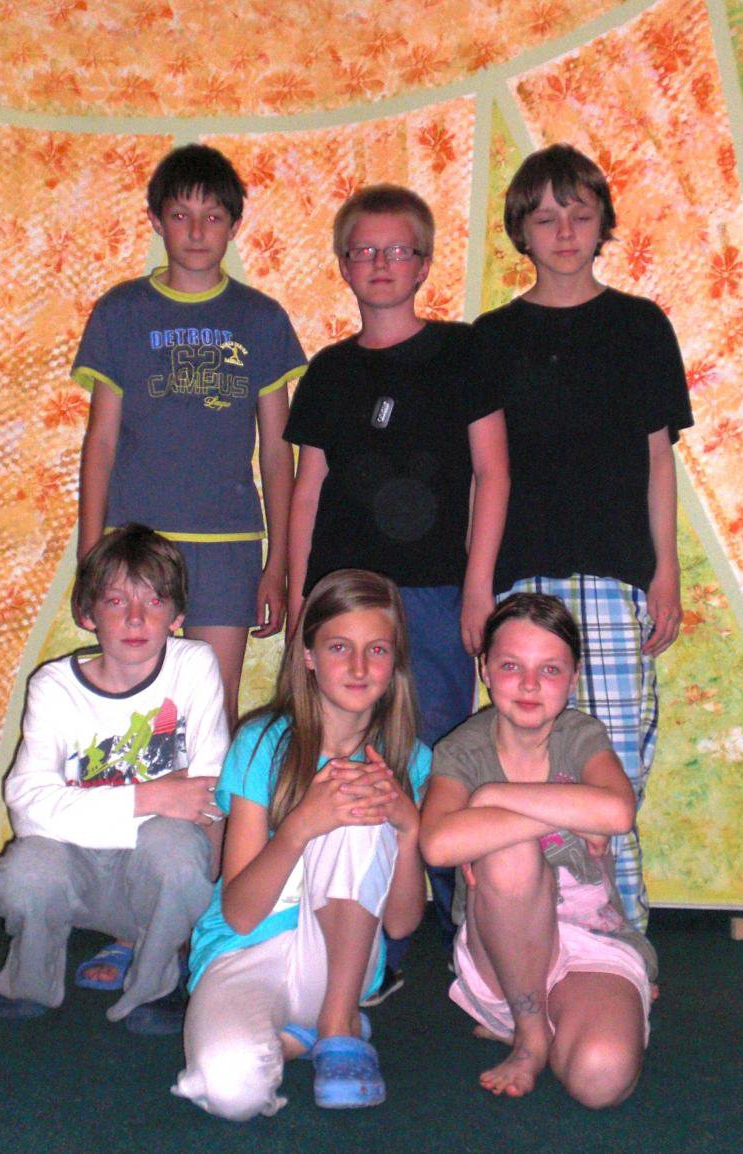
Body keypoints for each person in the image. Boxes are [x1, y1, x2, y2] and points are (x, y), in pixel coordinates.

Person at [285, 184, 509, 985]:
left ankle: (464, 926)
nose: (381, 263)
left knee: (437, 754)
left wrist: (478, 587)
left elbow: (492, 472)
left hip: (435, 595)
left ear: (423, 263)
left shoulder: (461, 353)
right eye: (365, 250)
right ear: (344, 264)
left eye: (398, 250)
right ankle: (363, 926)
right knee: (341, 753)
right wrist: (298, 593)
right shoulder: (328, 372)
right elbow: (306, 490)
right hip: (341, 598)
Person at [474, 144, 693, 931]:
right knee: (524, 759)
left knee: (613, 763)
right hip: (520, 579)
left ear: (602, 223)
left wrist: (664, 572)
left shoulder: (639, 326)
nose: (563, 231)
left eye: (578, 213)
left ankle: (621, 934)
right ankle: (535, 934)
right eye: (544, 217)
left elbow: (657, 459)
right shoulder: (491, 337)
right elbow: (483, 473)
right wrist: (477, 587)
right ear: (519, 231)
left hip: (613, 573)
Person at [173, 569, 429, 1119]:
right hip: (245, 950)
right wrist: (299, 826)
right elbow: (240, 914)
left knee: (359, 796)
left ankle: (338, 1024)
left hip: (339, 962)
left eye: (377, 649)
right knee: (231, 1092)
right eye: (339, 647)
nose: (358, 667)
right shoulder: (262, 743)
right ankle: (299, 1037)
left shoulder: (407, 759)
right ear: (308, 655)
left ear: (396, 662)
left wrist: (409, 832)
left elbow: (402, 923)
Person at [75, 143, 305, 729]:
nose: (197, 231)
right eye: (181, 215)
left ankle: (213, 800)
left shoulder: (261, 319)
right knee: (136, 706)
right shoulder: (121, 312)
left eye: (213, 216)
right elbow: (100, 444)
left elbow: (278, 454)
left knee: (213, 712)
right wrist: (88, 556)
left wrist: (278, 564)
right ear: (156, 221)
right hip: (134, 543)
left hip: (228, 545)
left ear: (234, 225)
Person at [0, 524, 228, 1034]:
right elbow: (27, 804)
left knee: (179, 853)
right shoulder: (55, 686)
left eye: (154, 601)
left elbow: (207, 793)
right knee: (24, 871)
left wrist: (75, 805)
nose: (135, 618)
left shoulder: (193, 664)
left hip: (149, 868)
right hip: (74, 868)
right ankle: (30, 981)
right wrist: (154, 796)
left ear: (178, 616)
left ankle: (154, 983)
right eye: (116, 601)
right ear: (87, 613)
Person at [420, 594, 657, 1104]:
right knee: (510, 853)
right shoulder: (462, 750)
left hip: (591, 939)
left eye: (549, 669)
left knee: (600, 1079)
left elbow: (617, 812)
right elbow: (437, 844)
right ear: (484, 669)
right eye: (511, 666)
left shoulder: (580, 735)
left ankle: (573, 1017)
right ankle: (529, 1035)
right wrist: (569, 812)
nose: (530, 684)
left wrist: (492, 799)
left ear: (573, 678)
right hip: (503, 955)